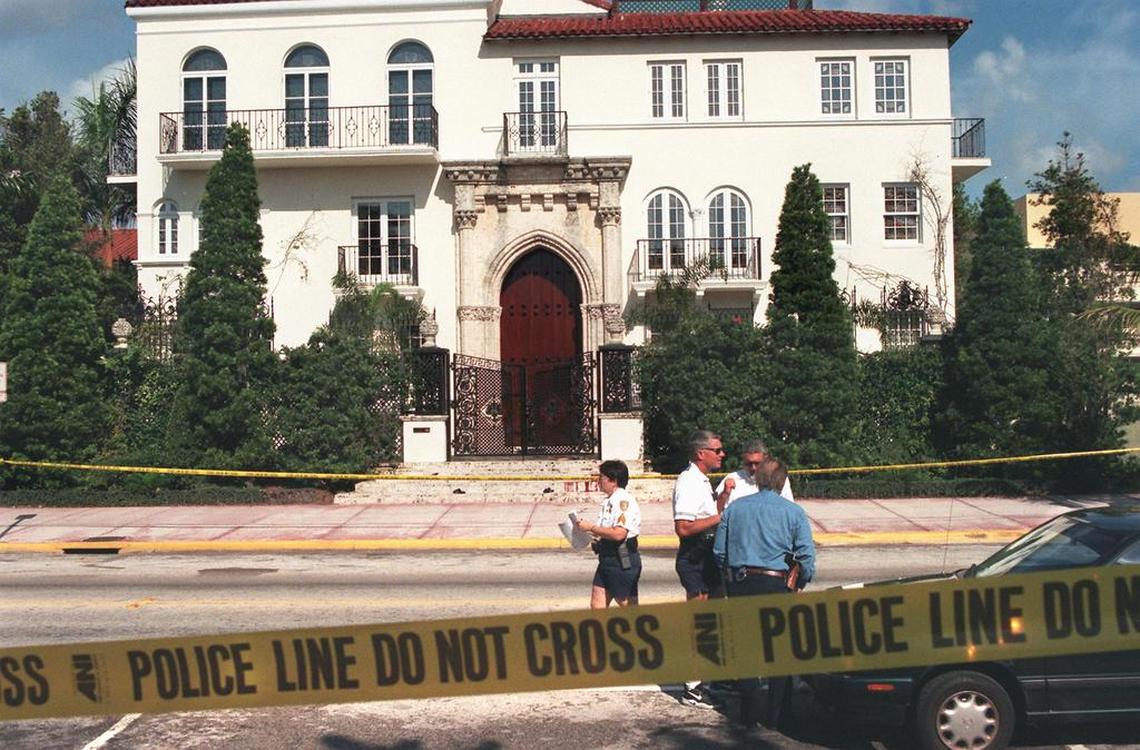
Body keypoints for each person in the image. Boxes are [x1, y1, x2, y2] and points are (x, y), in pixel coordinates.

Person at [713, 457, 816, 731]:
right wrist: (801, 581)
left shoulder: (735, 509)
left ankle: (748, 713)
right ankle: (776, 714)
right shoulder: (793, 512)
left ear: (758, 480)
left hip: (741, 583)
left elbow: (719, 552)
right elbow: (806, 555)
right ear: (783, 483)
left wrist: (730, 580)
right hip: (777, 585)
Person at [672, 429, 725, 708]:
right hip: (694, 557)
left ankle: (708, 680)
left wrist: (724, 500)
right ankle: (692, 689)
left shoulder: (702, 480)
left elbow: (709, 515)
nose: (722, 454)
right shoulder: (689, 481)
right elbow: (683, 527)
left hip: (708, 557)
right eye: (717, 450)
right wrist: (720, 516)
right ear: (700, 453)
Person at [573, 460, 641, 609]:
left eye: (601, 477)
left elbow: (619, 534)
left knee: (627, 604)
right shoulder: (609, 501)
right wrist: (592, 537)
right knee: (597, 605)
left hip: (622, 557)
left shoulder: (623, 501)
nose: (598, 481)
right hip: (607, 557)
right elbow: (607, 530)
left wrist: (591, 527)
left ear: (613, 480)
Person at [714, 439, 795, 510]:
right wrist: (725, 493)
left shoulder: (778, 478)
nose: (753, 468)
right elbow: (714, 511)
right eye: (749, 464)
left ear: (766, 459)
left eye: (757, 463)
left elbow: (790, 509)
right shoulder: (731, 479)